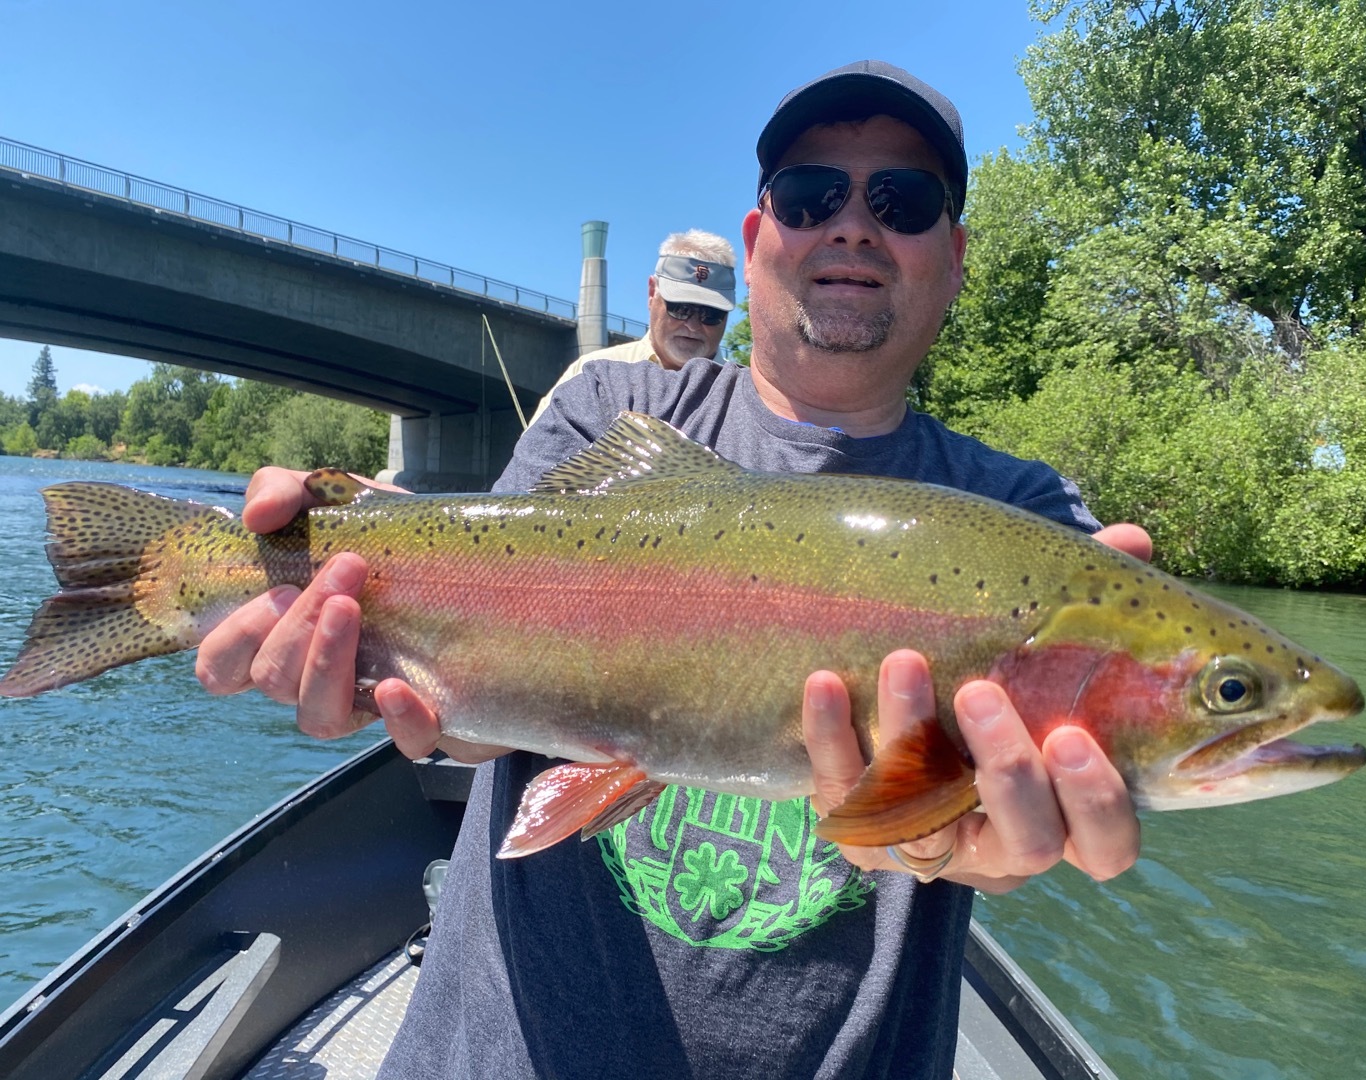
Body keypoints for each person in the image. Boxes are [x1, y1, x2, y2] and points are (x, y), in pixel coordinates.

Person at [196, 60, 1149, 1078]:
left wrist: (999, 848)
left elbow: (1061, 782)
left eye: (902, 201)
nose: (854, 225)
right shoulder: (607, 418)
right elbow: (471, 730)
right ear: (758, 237)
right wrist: (341, 590)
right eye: (810, 193)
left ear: (953, 258)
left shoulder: (1028, 525)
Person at [530, 229, 737, 421]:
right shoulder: (589, 375)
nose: (692, 325)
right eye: (681, 308)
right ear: (651, 293)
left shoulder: (746, 395)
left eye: (710, 314)